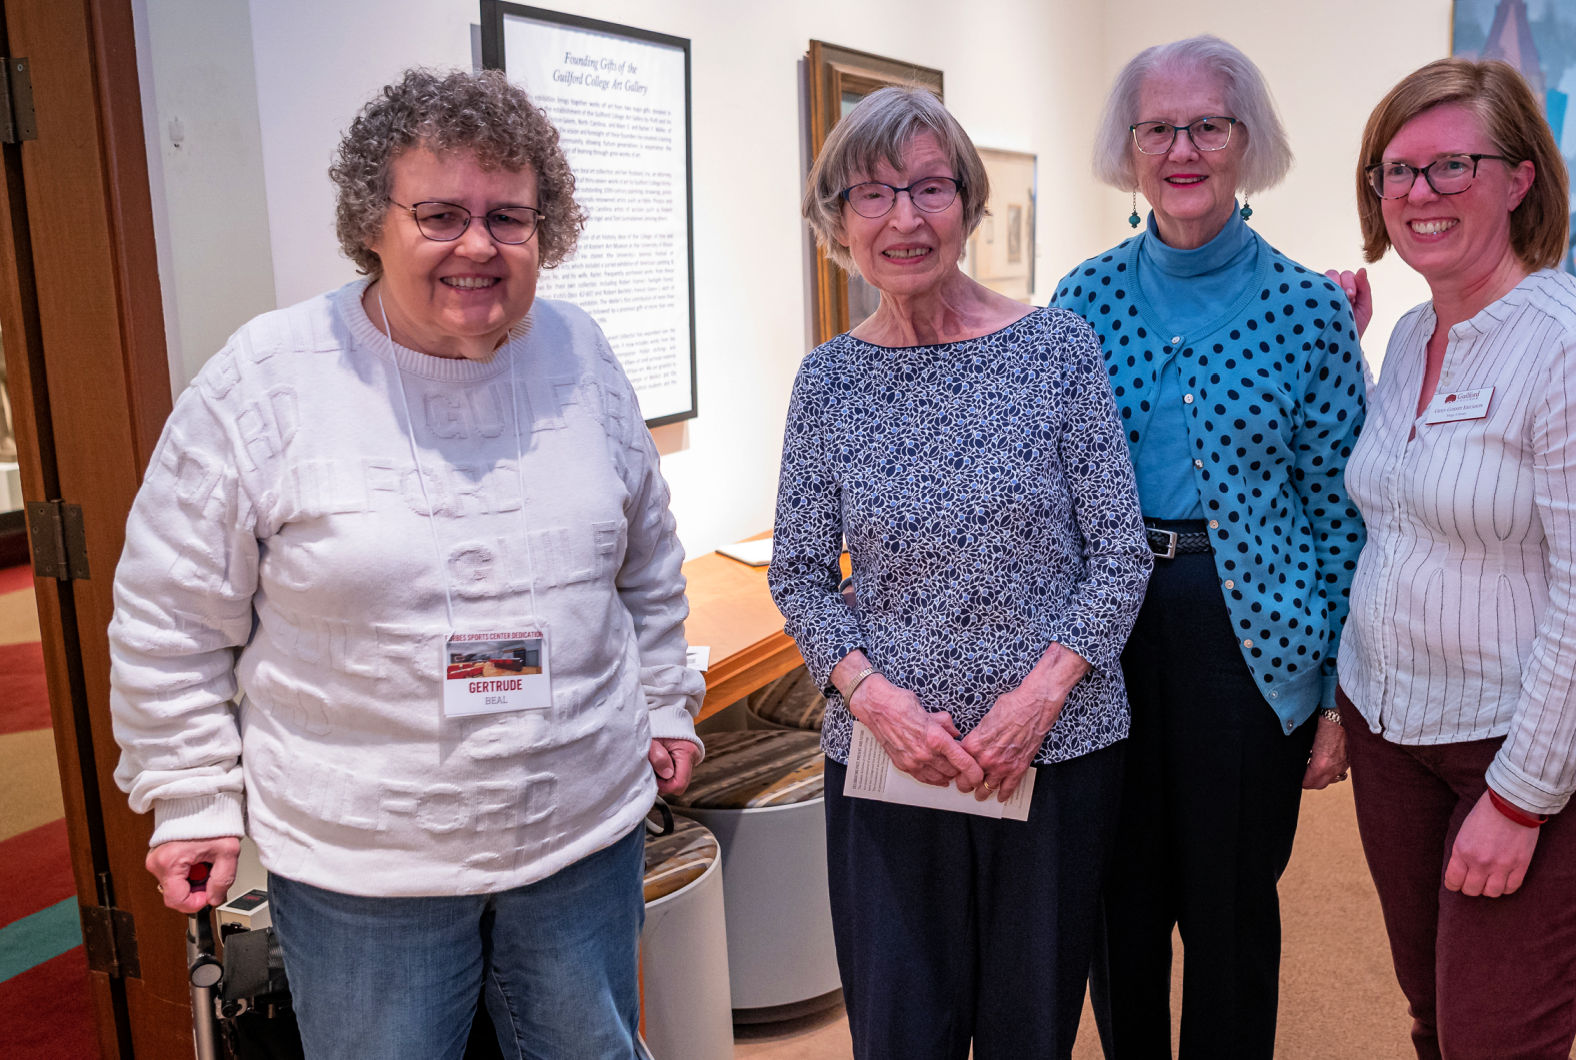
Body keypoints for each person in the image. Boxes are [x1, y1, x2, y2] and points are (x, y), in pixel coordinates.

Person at [108, 68, 704, 1059]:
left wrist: (668, 696)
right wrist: (191, 797)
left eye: (509, 216)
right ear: (370, 221)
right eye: (439, 212)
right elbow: (171, 614)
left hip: (576, 833)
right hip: (368, 870)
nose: (478, 244)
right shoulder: (266, 378)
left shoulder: (580, 353)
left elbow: (645, 562)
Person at [771, 86, 1151, 1060]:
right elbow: (802, 573)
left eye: (930, 188)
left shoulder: (1055, 349)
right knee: (901, 1030)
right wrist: (874, 702)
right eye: (873, 194)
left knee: (1030, 1027)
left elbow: (1117, 551)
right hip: (893, 765)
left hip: (1053, 757)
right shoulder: (829, 380)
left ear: (970, 204)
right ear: (837, 219)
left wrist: (1038, 697)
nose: (905, 217)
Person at [1328, 57, 1576, 1059]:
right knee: (1439, 1018)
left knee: (1497, 1038)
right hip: (1397, 731)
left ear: (1519, 179)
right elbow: (1403, 500)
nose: (1416, 195)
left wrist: (1521, 798)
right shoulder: (1406, 338)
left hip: (1540, 746)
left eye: (1450, 168)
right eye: (1394, 173)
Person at [1049, 35, 1368, 1059]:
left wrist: (1335, 693)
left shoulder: (1308, 310)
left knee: (1231, 907)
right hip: (1106, 633)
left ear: (1245, 142)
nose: (1182, 149)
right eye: (1159, 128)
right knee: (1115, 903)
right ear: (1130, 146)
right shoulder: (1082, 300)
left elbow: (1341, 516)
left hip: (1250, 642)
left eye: (1207, 126)